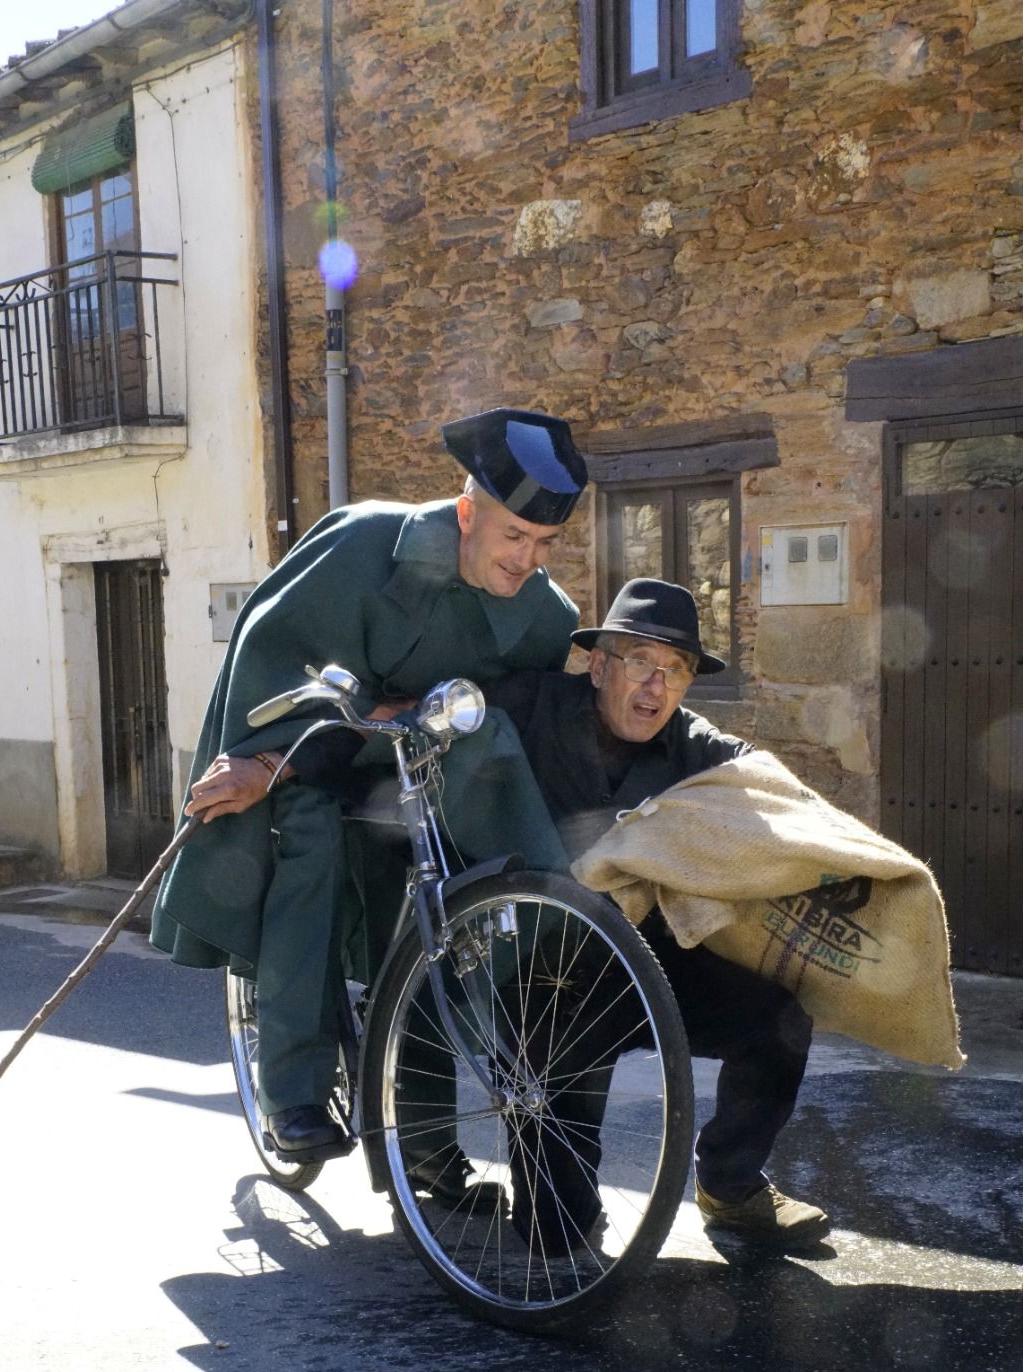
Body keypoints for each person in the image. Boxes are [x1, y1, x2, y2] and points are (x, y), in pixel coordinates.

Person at [151, 408, 587, 1182]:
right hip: (305, 753)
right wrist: (268, 765)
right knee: (308, 848)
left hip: (414, 767)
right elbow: (271, 659)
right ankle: (292, 1090)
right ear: (466, 514)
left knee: (428, 905)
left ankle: (430, 1132)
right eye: (512, 537)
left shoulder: (537, 608)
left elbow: (549, 688)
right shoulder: (360, 546)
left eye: (544, 543)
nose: (526, 559)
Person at [483, 577, 831, 1245]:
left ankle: (729, 1185)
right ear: (598, 664)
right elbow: (443, 718)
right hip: (541, 966)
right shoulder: (529, 705)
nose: (655, 687)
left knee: (778, 1013)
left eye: (675, 671)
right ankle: (558, 1211)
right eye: (640, 662)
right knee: (553, 1235)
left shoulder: (689, 742)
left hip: (646, 960)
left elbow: (758, 778)